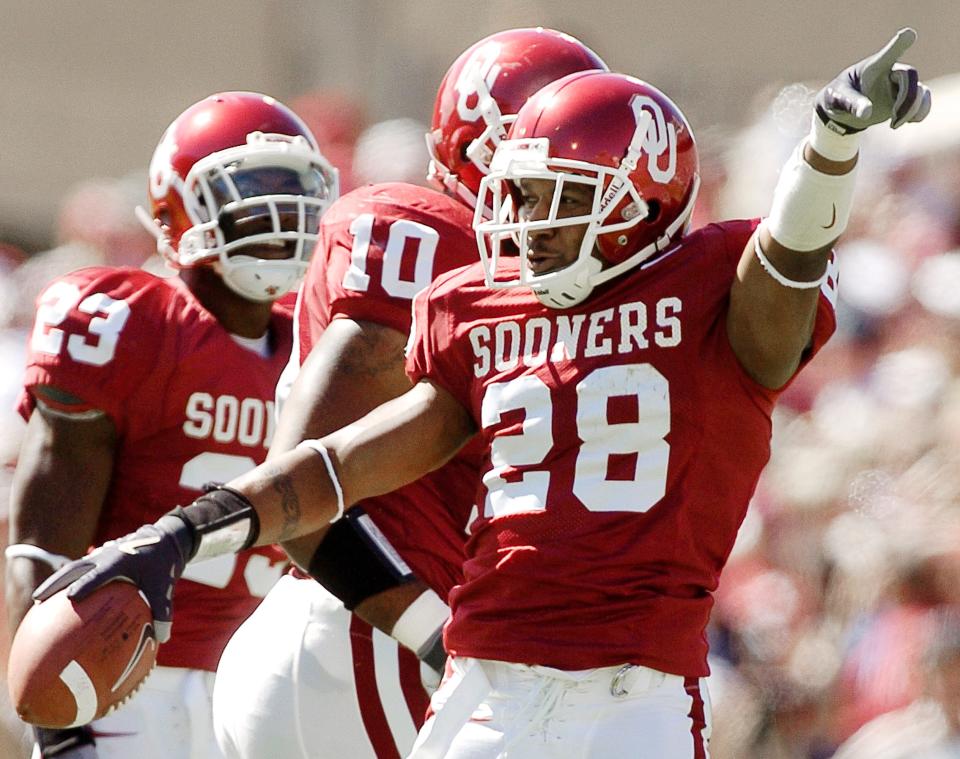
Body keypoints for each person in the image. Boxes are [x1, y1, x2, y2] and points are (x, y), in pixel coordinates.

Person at [34, 29, 931, 759]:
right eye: (520, 192)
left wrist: (825, 153)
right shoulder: (480, 306)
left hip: (625, 696)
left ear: (639, 200)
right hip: (476, 680)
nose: (522, 225)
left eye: (555, 196)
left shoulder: (710, 291)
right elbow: (340, 465)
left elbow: (784, 264)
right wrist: (185, 527)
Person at [211, 27, 609, 759]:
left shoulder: (504, 273)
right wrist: (437, 637)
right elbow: (299, 481)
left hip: (341, 639)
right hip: (365, 641)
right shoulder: (431, 237)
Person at [6, 91, 338, 759]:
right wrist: (61, 715)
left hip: (265, 677)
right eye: (251, 188)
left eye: (295, 189)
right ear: (174, 207)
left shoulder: (319, 345)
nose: (279, 213)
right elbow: (41, 547)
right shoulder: (125, 321)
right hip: (127, 680)